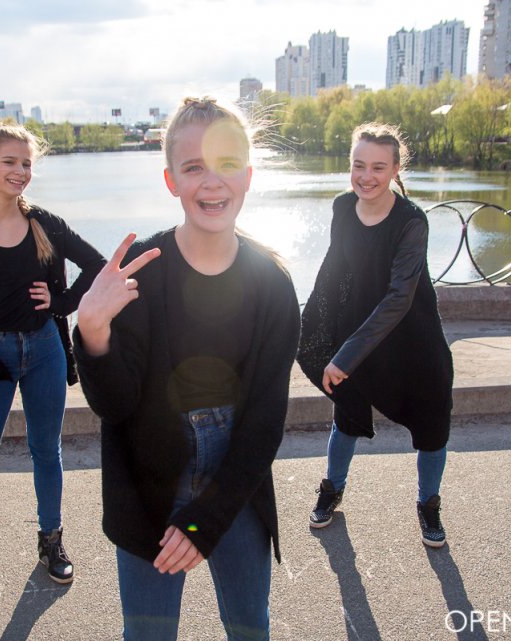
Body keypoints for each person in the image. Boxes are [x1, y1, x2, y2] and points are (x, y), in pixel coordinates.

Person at [72, 97, 301, 641]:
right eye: (194, 167)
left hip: (236, 479)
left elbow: (265, 420)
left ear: (248, 176)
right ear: (171, 181)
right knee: (148, 633)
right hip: (147, 481)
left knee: (250, 627)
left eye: (227, 164)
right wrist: (94, 333)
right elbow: (115, 406)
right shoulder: (141, 276)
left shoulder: (272, 285)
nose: (212, 181)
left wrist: (206, 519)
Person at [0, 123, 105, 615]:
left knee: (46, 451)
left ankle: (51, 540)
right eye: (9, 162)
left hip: (45, 351)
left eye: (26, 163)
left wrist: (62, 303)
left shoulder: (43, 223)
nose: (21, 171)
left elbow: (96, 264)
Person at [297, 123, 454, 548]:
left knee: (432, 421)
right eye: (359, 165)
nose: (366, 176)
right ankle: (331, 489)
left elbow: (400, 297)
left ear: (396, 169)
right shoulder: (342, 207)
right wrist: (314, 332)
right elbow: (334, 270)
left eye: (378, 167)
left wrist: (345, 355)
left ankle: (428, 504)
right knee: (347, 413)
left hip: (412, 339)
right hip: (357, 332)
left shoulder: (411, 221)